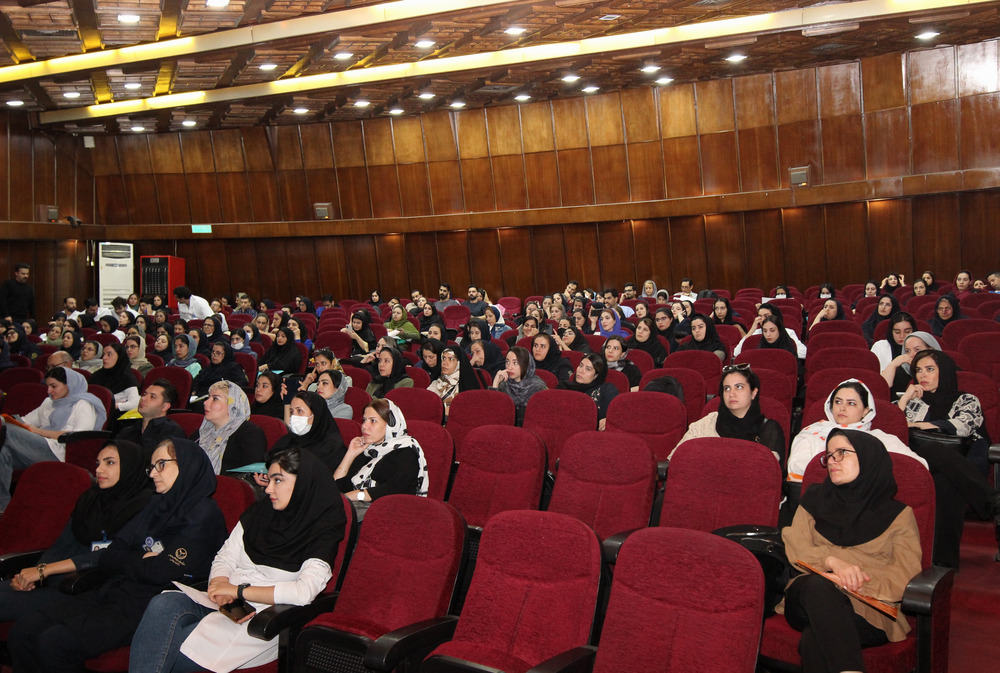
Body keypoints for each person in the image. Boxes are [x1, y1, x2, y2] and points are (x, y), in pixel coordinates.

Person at [7, 438, 227, 673]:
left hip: (148, 604)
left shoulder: (203, 514)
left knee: (55, 642)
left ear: (186, 465)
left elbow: (159, 572)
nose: (153, 473)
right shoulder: (155, 503)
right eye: (151, 467)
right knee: (25, 629)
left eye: (161, 465)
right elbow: (109, 555)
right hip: (114, 589)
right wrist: (140, 559)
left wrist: (131, 559)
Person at [129, 447, 345, 673]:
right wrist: (219, 584)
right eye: (269, 479)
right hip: (229, 604)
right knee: (163, 604)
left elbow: (303, 592)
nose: (268, 488)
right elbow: (226, 556)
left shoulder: (323, 529)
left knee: (165, 646)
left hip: (264, 619)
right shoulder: (262, 511)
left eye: (278, 480)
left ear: (303, 483)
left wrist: (237, 590)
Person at [779, 430, 922, 673]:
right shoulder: (813, 499)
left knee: (815, 640)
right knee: (818, 586)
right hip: (807, 598)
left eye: (842, 453)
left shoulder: (899, 515)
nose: (832, 461)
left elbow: (905, 574)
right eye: (829, 455)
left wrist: (851, 582)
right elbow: (796, 546)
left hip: (868, 611)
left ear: (868, 458)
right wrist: (831, 562)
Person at [0, 441, 152, 622]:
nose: (99, 470)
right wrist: (32, 577)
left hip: (88, 586)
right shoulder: (90, 498)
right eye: (98, 463)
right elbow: (62, 544)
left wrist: (44, 571)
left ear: (130, 466)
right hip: (55, 578)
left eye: (110, 462)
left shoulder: (144, 505)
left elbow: (108, 556)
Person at [898, 350, 1000, 566]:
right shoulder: (914, 402)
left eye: (930, 369)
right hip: (920, 464)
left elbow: (963, 426)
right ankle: (991, 500)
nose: (922, 375)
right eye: (918, 370)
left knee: (944, 479)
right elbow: (893, 428)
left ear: (944, 371)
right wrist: (905, 399)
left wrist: (918, 425)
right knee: (932, 451)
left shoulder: (966, 399)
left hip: (963, 463)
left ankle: (943, 565)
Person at [0, 367, 108, 511]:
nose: (49, 391)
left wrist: (39, 431)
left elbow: (78, 437)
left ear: (69, 385)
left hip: (62, 452)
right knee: (3, 452)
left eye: (54, 386)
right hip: (40, 447)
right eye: (48, 386)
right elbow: (26, 421)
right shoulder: (48, 402)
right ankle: (2, 508)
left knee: (7, 431)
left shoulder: (84, 404)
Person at [673, 364, 786, 465]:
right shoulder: (706, 424)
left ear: (753, 393)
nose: (731, 394)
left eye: (739, 387)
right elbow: (676, 459)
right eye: (727, 388)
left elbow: (766, 473)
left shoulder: (768, 429)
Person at [334, 398, 429, 503]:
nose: (364, 426)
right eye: (364, 420)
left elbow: (390, 491)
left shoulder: (406, 453)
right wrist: (350, 454)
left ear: (390, 425)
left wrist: (348, 497)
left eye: (373, 421)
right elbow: (335, 486)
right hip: (355, 506)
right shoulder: (369, 450)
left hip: (387, 509)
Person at [194, 381, 267, 474]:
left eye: (215, 399)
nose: (205, 403)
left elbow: (249, 474)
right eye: (208, 397)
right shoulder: (201, 433)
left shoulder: (250, 434)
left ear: (233, 406)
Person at [269, 392, 346, 473]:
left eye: (299, 411)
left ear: (316, 414)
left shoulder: (332, 448)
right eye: (291, 412)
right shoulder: (287, 440)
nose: (294, 417)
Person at [116, 379, 187, 451]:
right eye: (144, 394)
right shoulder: (128, 431)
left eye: (152, 397)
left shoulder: (172, 433)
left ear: (165, 406)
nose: (143, 398)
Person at [558, 353, 618, 430]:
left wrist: (607, 420)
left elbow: (614, 417)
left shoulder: (606, 390)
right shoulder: (563, 387)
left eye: (588, 369)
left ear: (596, 375)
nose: (581, 371)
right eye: (581, 365)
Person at [493, 346, 547, 425]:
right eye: (507, 362)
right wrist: (495, 384)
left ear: (525, 364)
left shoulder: (538, 387)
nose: (510, 367)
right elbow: (493, 413)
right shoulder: (504, 385)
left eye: (515, 363)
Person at [735, 303, 806, 359]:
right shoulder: (755, 333)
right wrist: (751, 330)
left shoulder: (788, 332)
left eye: (766, 316)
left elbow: (803, 353)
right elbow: (736, 353)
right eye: (760, 316)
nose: (762, 319)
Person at [428, 345, 481, 413]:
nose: (445, 363)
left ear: (459, 363)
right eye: (443, 358)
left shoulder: (468, 386)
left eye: (451, 359)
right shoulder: (435, 384)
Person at [90, 342, 141, 412]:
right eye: (104, 354)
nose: (104, 358)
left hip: (114, 415)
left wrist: (113, 405)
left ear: (119, 357)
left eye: (109, 354)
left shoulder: (128, 379)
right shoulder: (96, 376)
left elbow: (135, 404)